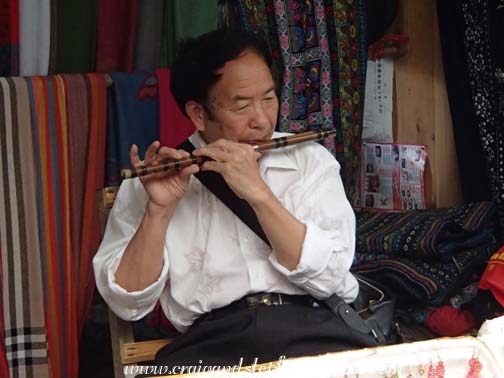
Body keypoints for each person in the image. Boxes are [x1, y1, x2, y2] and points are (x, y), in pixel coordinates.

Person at [93, 29, 363, 373]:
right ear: (198, 113)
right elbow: (126, 303)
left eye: (268, 98)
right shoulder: (154, 181)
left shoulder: (308, 160)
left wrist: (259, 194)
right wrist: (158, 212)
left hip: (314, 331)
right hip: (212, 345)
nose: (262, 119)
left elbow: (330, 277)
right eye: (242, 105)